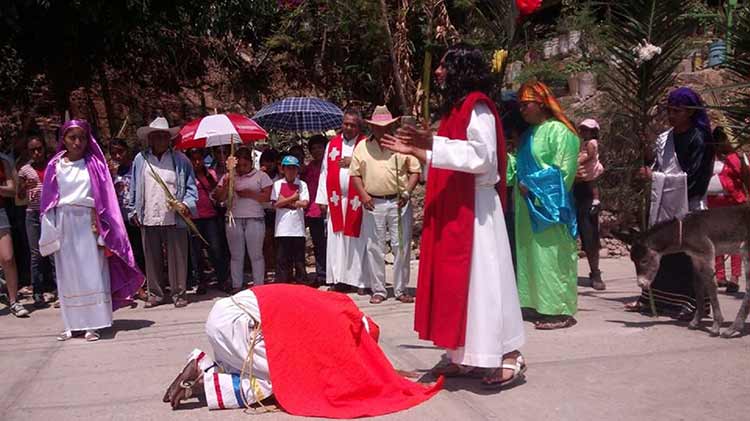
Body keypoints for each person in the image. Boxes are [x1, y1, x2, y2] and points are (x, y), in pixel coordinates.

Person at [382, 45, 526, 388]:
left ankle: (508, 355)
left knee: (485, 283)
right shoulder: (456, 110)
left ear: (461, 69)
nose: (438, 73)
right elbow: (450, 157)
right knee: (461, 286)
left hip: (476, 211)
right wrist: (418, 149)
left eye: (445, 66)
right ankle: (465, 355)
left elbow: (482, 158)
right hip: (458, 206)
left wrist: (431, 143)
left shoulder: (478, 108)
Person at [162, 284, 441, 416]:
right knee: (287, 382)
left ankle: (209, 364)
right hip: (245, 325)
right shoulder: (345, 325)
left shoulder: (334, 303)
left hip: (227, 313)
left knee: (259, 362)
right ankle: (208, 377)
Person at [39, 119, 143, 340]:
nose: (77, 142)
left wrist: (101, 223)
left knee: (91, 271)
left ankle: (93, 323)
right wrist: (50, 228)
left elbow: (105, 197)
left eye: (82, 137)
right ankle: (71, 324)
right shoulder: (54, 165)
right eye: (72, 137)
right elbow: (48, 201)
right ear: (63, 139)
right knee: (68, 273)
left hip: (88, 221)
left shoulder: (94, 164)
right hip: (64, 221)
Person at [626, 87, 715, 319]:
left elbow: (696, 179)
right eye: (669, 110)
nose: (672, 115)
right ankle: (656, 300)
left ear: (690, 112)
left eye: (677, 110)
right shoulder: (665, 138)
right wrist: (648, 166)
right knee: (661, 253)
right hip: (664, 206)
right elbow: (658, 164)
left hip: (689, 208)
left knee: (688, 256)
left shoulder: (701, 138)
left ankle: (692, 304)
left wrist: (655, 178)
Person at [512, 81, 580, 330]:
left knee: (552, 257)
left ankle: (558, 310)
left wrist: (532, 184)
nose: (522, 110)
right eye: (519, 106)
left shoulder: (561, 132)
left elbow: (563, 172)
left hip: (550, 208)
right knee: (531, 256)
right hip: (525, 207)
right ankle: (534, 303)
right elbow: (517, 168)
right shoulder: (528, 135)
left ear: (541, 104)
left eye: (526, 104)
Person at [350, 106, 420, 304]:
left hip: (399, 201)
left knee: (402, 246)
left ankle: (401, 289)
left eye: (385, 126)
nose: (381, 130)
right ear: (372, 127)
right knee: (374, 247)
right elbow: (355, 173)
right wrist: (363, 195)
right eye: (378, 126)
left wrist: (407, 192)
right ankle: (379, 290)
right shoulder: (362, 146)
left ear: (391, 125)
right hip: (374, 202)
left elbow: (415, 171)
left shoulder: (401, 145)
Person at [127, 117, 197, 309]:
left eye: (163, 136)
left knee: (178, 257)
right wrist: (133, 209)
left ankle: (179, 293)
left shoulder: (181, 160)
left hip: (174, 217)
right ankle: (156, 293)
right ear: (149, 139)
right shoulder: (141, 160)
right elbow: (133, 186)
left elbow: (191, 188)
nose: (159, 139)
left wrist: (185, 204)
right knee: (152, 257)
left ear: (169, 139)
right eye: (155, 136)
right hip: (149, 214)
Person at [315, 109, 368, 293]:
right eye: (346, 123)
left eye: (352, 125)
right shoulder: (332, 144)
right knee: (337, 241)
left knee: (356, 240)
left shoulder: (365, 143)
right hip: (336, 200)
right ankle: (340, 279)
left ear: (358, 126)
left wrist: (353, 161)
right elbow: (324, 171)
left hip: (357, 200)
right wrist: (322, 198)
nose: (348, 127)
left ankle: (360, 281)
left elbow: (372, 165)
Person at [214, 147, 273, 291]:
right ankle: (236, 285)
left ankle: (259, 286)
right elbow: (218, 198)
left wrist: (250, 194)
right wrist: (226, 185)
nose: (241, 168)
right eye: (238, 165)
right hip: (234, 218)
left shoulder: (261, 176)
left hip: (255, 218)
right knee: (236, 255)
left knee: (256, 254)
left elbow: (268, 197)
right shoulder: (229, 176)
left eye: (244, 165)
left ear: (251, 163)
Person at [17, 136, 57, 308]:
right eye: (32, 150)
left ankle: (59, 289)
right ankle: (38, 292)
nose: (36, 152)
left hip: (51, 212)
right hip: (32, 214)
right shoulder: (25, 170)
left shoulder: (53, 166)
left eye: (39, 148)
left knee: (55, 251)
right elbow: (18, 196)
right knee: (36, 254)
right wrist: (25, 186)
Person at [708, 126, 747, 293]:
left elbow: (744, 176)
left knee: (734, 242)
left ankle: (735, 277)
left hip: (733, 204)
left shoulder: (735, 158)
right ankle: (720, 276)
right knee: (716, 241)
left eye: (720, 141)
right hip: (714, 204)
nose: (718, 145)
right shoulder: (709, 158)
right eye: (715, 141)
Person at [187, 148, 229, 294]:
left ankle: (222, 279)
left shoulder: (210, 174)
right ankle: (201, 282)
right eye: (193, 159)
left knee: (216, 250)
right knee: (196, 253)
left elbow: (217, 194)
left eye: (199, 159)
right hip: (193, 218)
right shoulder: (186, 175)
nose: (197, 162)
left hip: (210, 217)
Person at [109, 139, 146, 300]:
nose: (118, 155)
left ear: (127, 151)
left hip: (136, 217)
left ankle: (144, 284)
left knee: (140, 251)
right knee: (125, 253)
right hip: (119, 218)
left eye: (120, 151)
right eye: (114, 153)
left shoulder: (136, 168)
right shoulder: (111, 173)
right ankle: (129, 285)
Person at [574, 118, 605, 291]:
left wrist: (575, 162)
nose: (585, 133)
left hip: (584, 190)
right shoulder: (579, 144)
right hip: (572, 189)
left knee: (590, 232)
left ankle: (595, 272)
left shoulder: (590, 145)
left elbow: (589, 161)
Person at [271, 155, 309, 283]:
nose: (291, 171)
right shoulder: (277, 184)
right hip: (282, 228)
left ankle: (301, 282)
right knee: (282, 259)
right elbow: (275, 204)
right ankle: (282, 283)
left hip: (298, 228)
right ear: (283, 169)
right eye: (288, 168)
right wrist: (293, 198)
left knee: (299, 259)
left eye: (294, 168)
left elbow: (304, 203)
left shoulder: (302, 184)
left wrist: (284, 201)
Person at [0, 152, 28, 317]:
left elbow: (12, 190)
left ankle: (13, 301)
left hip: (0, 211)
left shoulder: (3, 161)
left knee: (8, 258)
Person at [302, 135, 327, 284]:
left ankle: (334, 275)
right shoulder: (308, 168)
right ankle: (321, 274)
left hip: (329, 209)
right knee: (318, 244)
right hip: (313, 210)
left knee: (331, 245)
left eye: (320, 147)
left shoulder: (330, 166)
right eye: (313, 148)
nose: (317, 151)